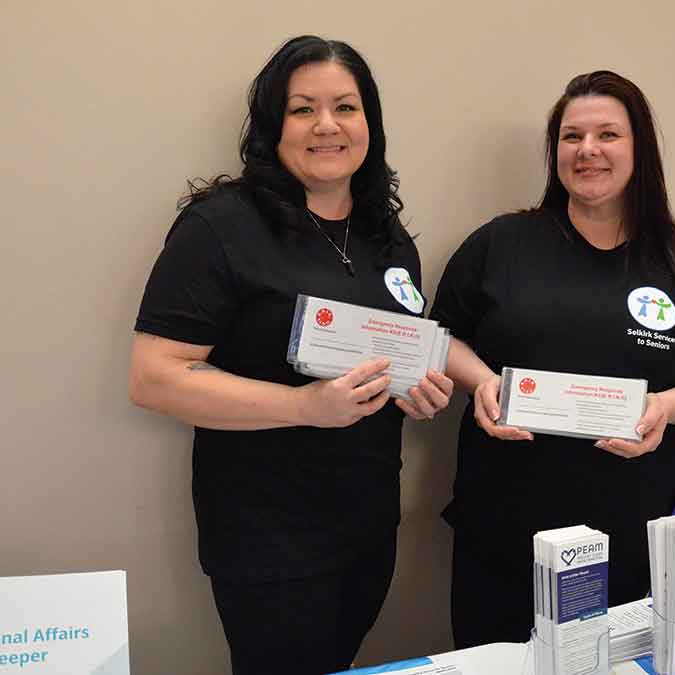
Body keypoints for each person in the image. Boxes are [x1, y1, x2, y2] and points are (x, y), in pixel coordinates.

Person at [129, 36, 452, 675]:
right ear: (273, 126)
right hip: (266, 534)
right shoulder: (221, 227)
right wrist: (303, 406)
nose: (326, 125)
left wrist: (419, 390)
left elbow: (394, 361)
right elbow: (154, 378)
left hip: (367, 525)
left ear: (371, 125)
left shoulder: (389, 242)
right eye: (303, 109)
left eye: (346, 108)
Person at [430, 70, 675, 647]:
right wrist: (481, 381)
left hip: (636, 536)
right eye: (571, 136)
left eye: (608, 134)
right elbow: (439, 337)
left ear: (639, 150)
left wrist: (665, 406)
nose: (588, 150)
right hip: (505, 533)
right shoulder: (500, 245)